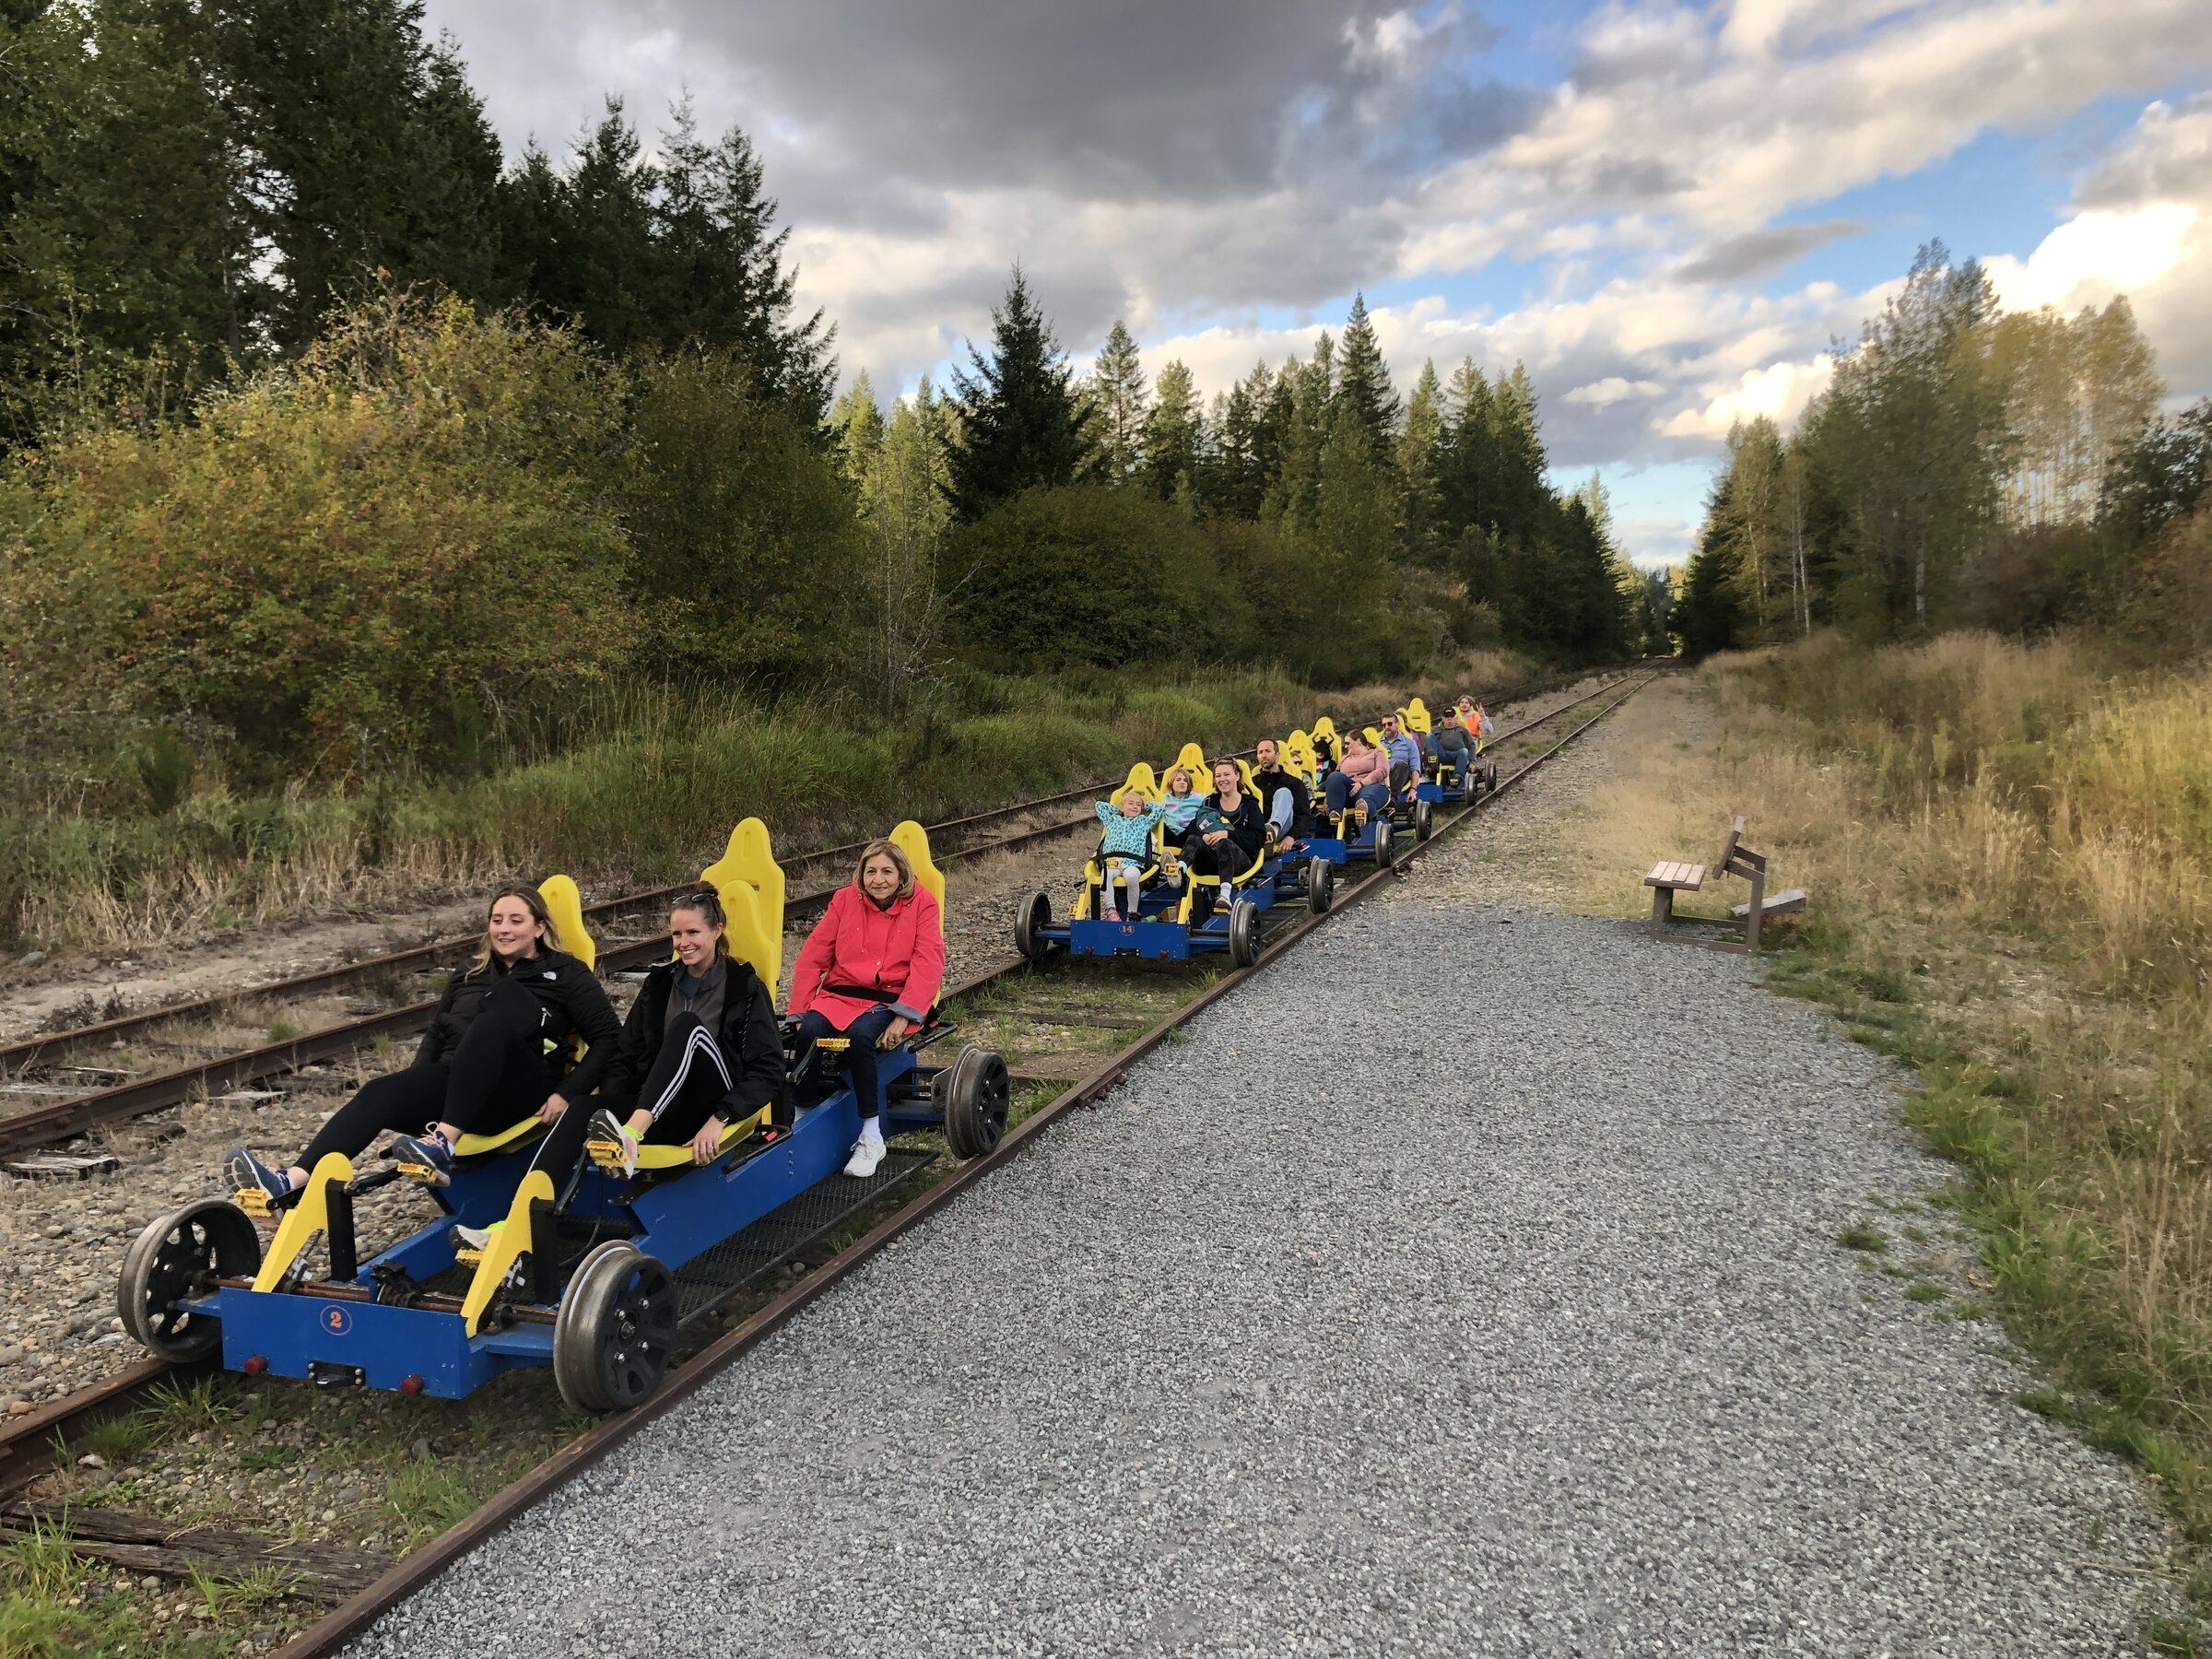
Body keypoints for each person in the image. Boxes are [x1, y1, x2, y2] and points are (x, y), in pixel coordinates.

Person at [225, 886, 619, 1201]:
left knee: (491, 1024)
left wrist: (567, 1093)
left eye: (516, 921)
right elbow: (437, 1032)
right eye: (497, 920)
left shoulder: (567, 973)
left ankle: (443, 1144)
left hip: (520, 1095)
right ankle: (289, 1182)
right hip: (458, 1089)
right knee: (380, 1091)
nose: (504, 929)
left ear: (539, 928)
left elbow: (608, 1038)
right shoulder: (469, 972)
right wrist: (415, 1086)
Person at [481, 893, 787, 1220]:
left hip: (707, 1110)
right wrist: (611, 1104)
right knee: (583, 1107)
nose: (683, 943)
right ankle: (519, 1217)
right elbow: (626, 1053)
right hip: (657, 1110)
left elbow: (769, 1068)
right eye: (676, 934)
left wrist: (721, 1118)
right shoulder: (659, 985)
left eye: (693, 932)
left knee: (687, 1026)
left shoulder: (744, 987)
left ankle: (630, 1134)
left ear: (717, 931)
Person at [787, 840, 946, 1178]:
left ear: (901, 875)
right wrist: (800, 1010)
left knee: (861, 1039)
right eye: (870, 871)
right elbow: (815, 952)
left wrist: (904, 1016)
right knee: (809, 1033)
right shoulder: (845, 900)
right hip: (839, 995)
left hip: (886, 999)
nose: (878, 879)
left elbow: (927, 963)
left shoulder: (923, 905)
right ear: (861, 874)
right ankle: (802, 1119)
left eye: (887, 871)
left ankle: (871, 1135)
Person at [1180, 759, 1266, 902]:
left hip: (1238, 863)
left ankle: (1225, 894)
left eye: (1226, 774)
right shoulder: (1210, 802)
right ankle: (1179, 870)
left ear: (1237, 776)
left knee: (1224, 843)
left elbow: (1257, 839)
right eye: (1218, 776)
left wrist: (1228, 834)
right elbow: (1194, 827)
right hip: (1209, 861)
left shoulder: (1250, 805)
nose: (1222, 779)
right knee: (1194, 838)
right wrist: (1203, 836)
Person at [1093, 788, 1168, 922]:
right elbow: (1099, 806)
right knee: (1106, 874)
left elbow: (1160, 809)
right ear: (1122, 807)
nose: (1135, 806)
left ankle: (1132, 913)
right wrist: (1117, 809)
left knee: (1132, 876)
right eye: (1131, 803)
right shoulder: (1112, 820)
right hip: (1113, 861)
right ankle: (1111, 910)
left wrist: (1146, 805)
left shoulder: (1144, 822)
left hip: (1133, 863)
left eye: (1138, 805)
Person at [1249, 738, 1312, 853]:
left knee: (1283, 792)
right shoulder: (1252, 784)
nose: (1264, 755)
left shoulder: (1294, 783)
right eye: (1260, 752)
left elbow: (1303, 815)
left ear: (1277, 755)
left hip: (1283, 831)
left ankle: (1273, 831)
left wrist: (1291, 836)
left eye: (1268, 751)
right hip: (1257, 831)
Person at [1322, 730, 1390, 833]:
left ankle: (1362, 811)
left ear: (1358, 741)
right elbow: (1334, 781)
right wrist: (1328, 799)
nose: (1345, 746)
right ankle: (1336, 812)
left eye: (1348, 743)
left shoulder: (1376, 753)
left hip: (1372, 785)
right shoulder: (1344, 759)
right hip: (1350, 790)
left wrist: (1362, 784)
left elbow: (1382, 771)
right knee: (1334, 776)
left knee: (1367, 794)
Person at [1159, 765, 1206, 849]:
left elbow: (1211, 809)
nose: (1182, 782)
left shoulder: (1198, 798)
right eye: (1178, 780)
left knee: (1197, 822)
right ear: (1171, 783)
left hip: (1188, 835)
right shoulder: (1163, 798)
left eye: (1185, 780)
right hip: (1169, 833)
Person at [1377, 712, 1424, 794]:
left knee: (1401, 765)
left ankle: (1393, 797)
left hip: (1401, 776)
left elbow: (1415, 768)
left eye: (1389, 724)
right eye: (1384, 725)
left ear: (1397, 724)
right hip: (1382, 777)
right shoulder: (1377, 743)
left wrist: (1413, 790)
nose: (1386, 727)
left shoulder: (1409, 743)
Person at [1430, 707, 1477, 786]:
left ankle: (1457, 777)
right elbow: (1429, 746)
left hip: (1457, 757)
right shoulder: (1436, 731)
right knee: (1429, 739)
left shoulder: (1463, 730)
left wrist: (1472, 762)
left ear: (1456, 718)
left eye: (1451, 716)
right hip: (1441, 756)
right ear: (1443, 719)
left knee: (1464, 751)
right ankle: (1431, 771)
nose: (1449, 719)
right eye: (1447, 717)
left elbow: (1471, 745)